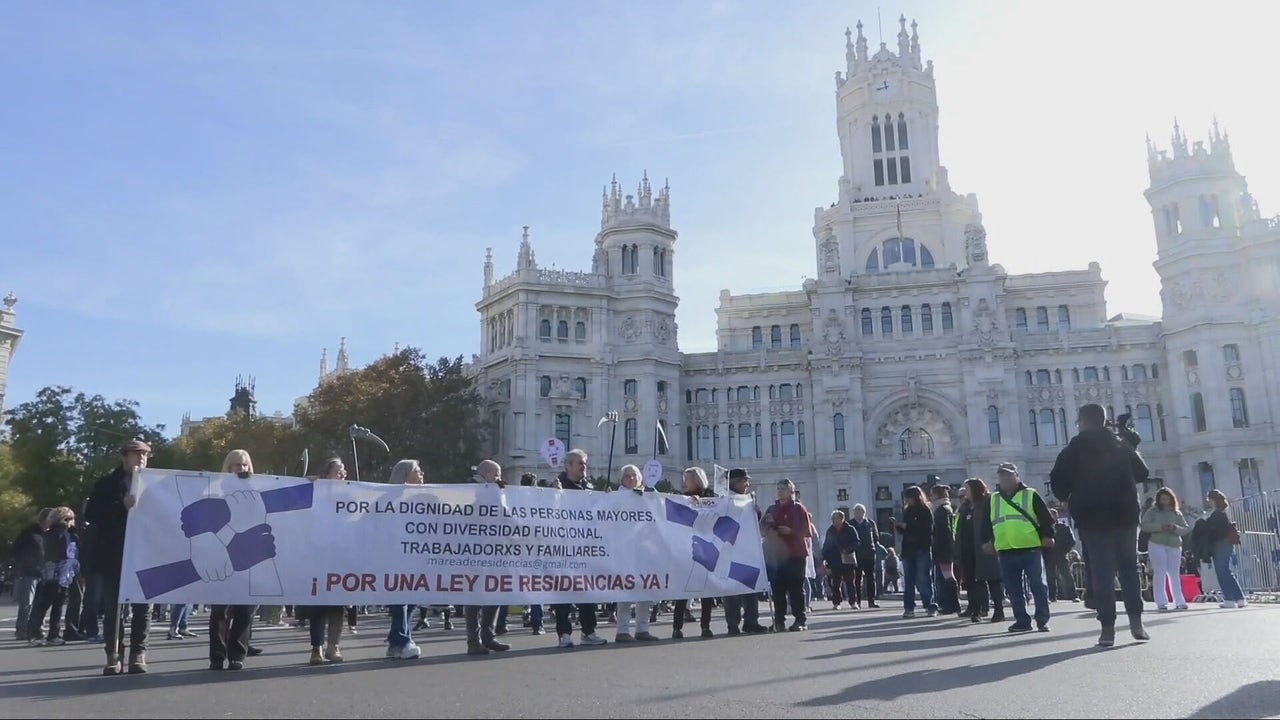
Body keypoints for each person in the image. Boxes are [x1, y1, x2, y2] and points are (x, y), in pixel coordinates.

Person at [1050, 403, 1151, 647]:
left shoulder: (1073, 450)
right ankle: (1136, 622)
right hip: (1125, 514)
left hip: (1092, 517)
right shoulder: (1120, 444)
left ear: (1083, 422)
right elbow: (1142, 472)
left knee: (1102, 571)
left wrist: (1072, 495)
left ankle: (1107, 629)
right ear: (1104, 421)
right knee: (1128, 567)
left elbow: (1058, 484)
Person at [84, 439, 154, 675]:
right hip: (115, 553)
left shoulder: (156, 484)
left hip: (147, 553)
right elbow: (92, 514)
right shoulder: (107, 484)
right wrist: (120, 505)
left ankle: (138, 653)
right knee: (114, 607)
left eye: (145, 454)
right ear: (124, 456)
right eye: (136, 454)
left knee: (143, 606)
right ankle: (113, 654)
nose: (141, 458)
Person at [980, 463, 1053, 633]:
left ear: (1017, 476)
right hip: (1006, 549)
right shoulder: (993, 499)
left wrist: (1047, 536)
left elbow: (1045, 518)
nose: (1005, 479)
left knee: (1038, 586)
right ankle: (1022, 620)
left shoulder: (1030, 494)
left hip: (1030, 547)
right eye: (1002, 476)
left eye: (1008, 475)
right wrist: (986, 542)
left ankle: (1042, 619)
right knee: (1013, 589)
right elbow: (985, 524)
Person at [300, 457, 356, 664]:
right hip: (317, 556)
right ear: (326, 474)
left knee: (337, 606)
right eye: (338, 470)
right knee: (318, 606)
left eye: (344, 470)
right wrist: (309, 482)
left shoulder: (352, 493)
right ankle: (317, 648)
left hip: (341, 556)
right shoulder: (315, 492)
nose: (343, 473)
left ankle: (334, 646)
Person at [207, 449, 259, 671]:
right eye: (237, 465)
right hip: (220, 553)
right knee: (219, 609)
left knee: (244, 607)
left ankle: (237, 654)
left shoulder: (257, 491)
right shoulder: (215, 491)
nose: (242, 469)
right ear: (228, 468)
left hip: (249, 554)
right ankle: (217, 656)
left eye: (245, 465)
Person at [551, 449, 608, 648]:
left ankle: (588, 631)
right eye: (580, 463)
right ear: (568, 465)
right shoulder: (557, 487)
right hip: (564, 548)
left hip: (585, 548)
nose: (584, 467)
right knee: (563, 592)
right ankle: (564, 633)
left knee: (587, 591)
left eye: (585, 463)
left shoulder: (588, 487)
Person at [465, 459, 512, 656]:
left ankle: (488, 635)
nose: (499, 478)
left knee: (496, 593)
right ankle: (473, 640)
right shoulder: (476, 498)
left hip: (497, 555)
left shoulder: (501, 499)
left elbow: (511, 521)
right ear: (484, 475)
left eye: (500, 474)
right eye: (496, 474)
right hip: (476, 555)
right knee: (474, 597)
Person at [610, 464, 661, 643]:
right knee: (625, 590)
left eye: (635, 475)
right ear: (622, 480)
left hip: (644, 549)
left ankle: (642, 628)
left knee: (645, 590)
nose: (632, 479)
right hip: (625, 550)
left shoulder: (648, 496)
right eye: (628, 476)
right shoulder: (616, 497)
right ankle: (622, 630)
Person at [671, 467, 719, 639]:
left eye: (688, 479)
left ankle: (705, 626)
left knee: (706, 589)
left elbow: (718, 513)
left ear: (697, 480)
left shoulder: (711, 496)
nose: (685, 482)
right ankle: (677, 627)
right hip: (686, 547)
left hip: (706, 547)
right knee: (683, 589)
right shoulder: (681, 497)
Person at [721, 469, 769, 634]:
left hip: (748, 550)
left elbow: (754, 524)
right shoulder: (724, 500)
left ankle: (751, 621)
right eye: (744, 481)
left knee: (751, 586)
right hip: (731, 550)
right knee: (732, 589)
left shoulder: (748, 500)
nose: (747, 484)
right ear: (734, 482)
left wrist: (757, 512)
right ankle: (733, 623)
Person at [762, 478, 811, 631]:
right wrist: (768, 524)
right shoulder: (772, 509)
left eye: (783, 488)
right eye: (778, 488)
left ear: (791, 491)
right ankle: (779, 620)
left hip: (796, 554)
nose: (780, 491)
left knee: (796, 589)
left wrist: (791, 531)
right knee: (778, 590)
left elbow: (806, 531)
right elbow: (762, 529)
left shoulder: (799, 509)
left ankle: (800, 620)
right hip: (777, 555)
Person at [26, 506, 79, 646]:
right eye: (69, 519)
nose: (72, 522)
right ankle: (34, 634)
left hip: (65, 574)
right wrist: (62, 527)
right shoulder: (54, 533)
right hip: (52, 573)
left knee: (58, 605)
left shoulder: (71, 534)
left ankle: (53, 634)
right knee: (44, 604)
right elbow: (54, 551)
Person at [956, 478, 1004, 624]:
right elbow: (960, 528)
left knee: (993, 579)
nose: (965, 493)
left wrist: (992, 542)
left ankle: (998, 609)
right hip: (968, 548)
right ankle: (975, 609)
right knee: (972, 581)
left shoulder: (987, 502)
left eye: (968, 489)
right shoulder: (965, 506)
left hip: (985, 547)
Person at [1140, 488, 1191, 612]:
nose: (1165, 501)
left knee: (1174, 573)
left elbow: (1185, 528)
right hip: (1157, 543)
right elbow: (1144, 525)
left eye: (1167, 499)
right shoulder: (1152, 512)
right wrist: (1159, 527)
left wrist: (1175, 528)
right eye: (1163, 499)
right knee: (1160, 572)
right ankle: (1161, 601)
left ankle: (1179, 600)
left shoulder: (1176, 513)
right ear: (1158, 499)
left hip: (1174, 544)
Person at [894, 486, 935, 618]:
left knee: (923, 578)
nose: (907, 501)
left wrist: (908, 526)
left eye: (909, 498)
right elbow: (906, 531)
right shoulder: (908, 511)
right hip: (908, 549)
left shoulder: (925, 510)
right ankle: (909, 607)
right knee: (909, 580)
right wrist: (899, 527)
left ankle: (929, 604)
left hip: (921, 548)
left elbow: (927, 530)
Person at [1203, 490, 1247, 609]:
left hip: (1220, 543)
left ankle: (1230, 598)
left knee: (1222, 571)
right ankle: (1239, 597)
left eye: (1210, 500)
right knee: (1226, 571)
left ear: (1213, 500)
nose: (1209, 502)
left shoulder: (1217, 514)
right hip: (1226, 543)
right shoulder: (1223, 512)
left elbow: (1214, 530)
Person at [11, 509, 49, 641]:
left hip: (44, 572)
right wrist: (23, 565)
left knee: (41, 603)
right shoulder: (29, 533)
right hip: (29, 572)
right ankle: (21, 630)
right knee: (27, 603)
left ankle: (37, 628)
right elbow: (16, 550)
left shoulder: (49, 534)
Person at [929, 486, 960, 615]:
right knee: (945, 576)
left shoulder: (941, 510)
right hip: (944, 548)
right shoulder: (944, 508)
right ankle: (950, 604)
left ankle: (951, 604)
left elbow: (944, 530)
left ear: (937, 495)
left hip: (943, 548)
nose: (930, 497)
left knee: (947, 577)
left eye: (932, 494)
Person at [821, 510, 860, 611]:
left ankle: (853, 602)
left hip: (847, 560)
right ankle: (836, 602)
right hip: (834, 560)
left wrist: (847, 549)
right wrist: (824, 558)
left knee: (850, 582)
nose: (833, 521)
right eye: (832, 519)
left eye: (835, 518)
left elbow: (856, 542)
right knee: (835, 583)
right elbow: (826, 545)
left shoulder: (850, 529)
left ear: (842, 519)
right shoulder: (830, 530)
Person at [847, 505, 880, 609]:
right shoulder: (850, 524)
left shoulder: (870, 523)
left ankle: (871, 601)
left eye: (859, 511)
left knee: (871, 578)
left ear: (864, 512)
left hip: (869, 553)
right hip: (856, 555)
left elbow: (876, 537)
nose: (857, 513)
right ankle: (858, 601)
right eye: (855, 511)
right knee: (856, 578)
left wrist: (874, 547)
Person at [1047, 509, 1079, 602]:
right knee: (1050, 576)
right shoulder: (1045, 527)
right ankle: (1052, 596)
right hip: (1048, 554)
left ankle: (1074, 595)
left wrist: (1065, 550)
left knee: (1067, 575)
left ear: (1056, 516)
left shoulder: (1064, 527)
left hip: (1061, 554)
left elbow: (1072, 541)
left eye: (1053, 515)